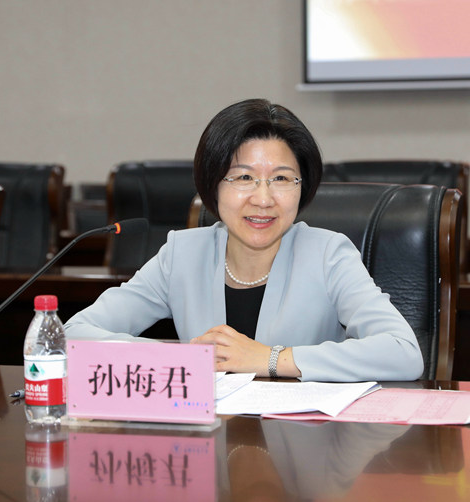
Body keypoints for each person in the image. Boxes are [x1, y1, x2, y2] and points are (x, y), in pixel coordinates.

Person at [64, 98, 424, 382]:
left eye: (281, 179)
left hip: (302, 443)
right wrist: (184, 359)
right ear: (213, 186)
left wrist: (269, 358)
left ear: (302, 187)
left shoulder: (329, 255)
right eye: (243, 178)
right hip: (209, 442)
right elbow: (72, 334)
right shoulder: (182, 255)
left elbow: (403, 352)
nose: (263, 199)